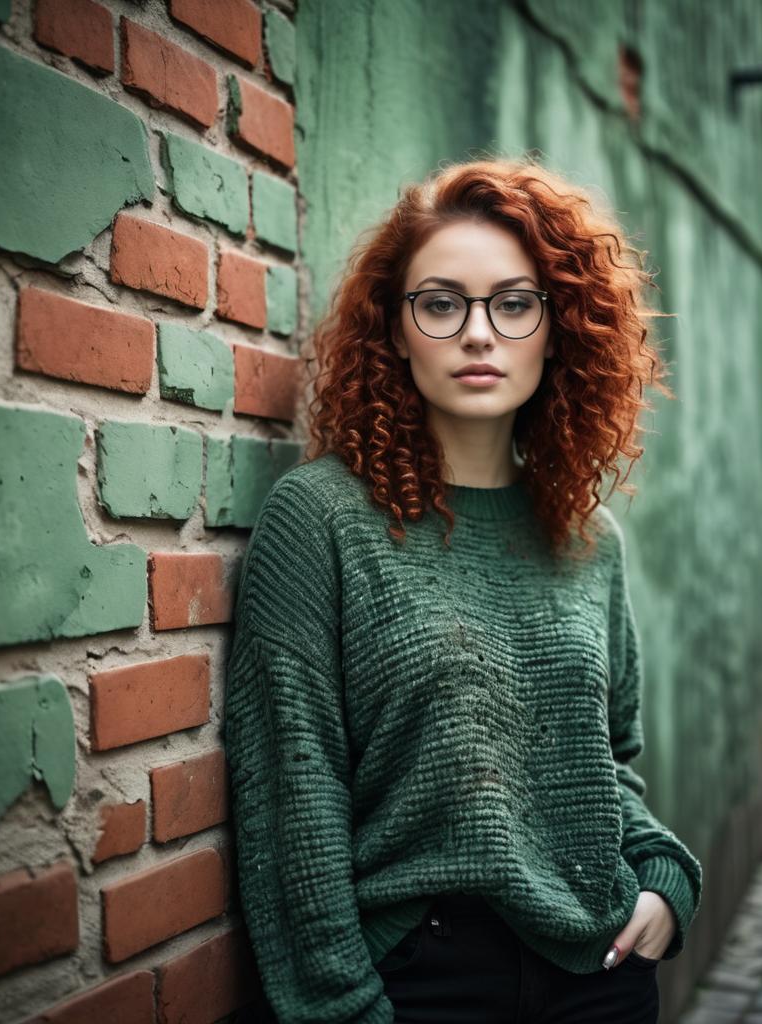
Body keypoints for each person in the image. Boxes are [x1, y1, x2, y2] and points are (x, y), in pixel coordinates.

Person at [224, 157, 702, 1024]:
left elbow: (608, 767)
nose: (479, 333)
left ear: (559, 331)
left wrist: (663, 880)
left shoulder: (588, 541)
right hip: (421, 975)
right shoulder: (322, 518)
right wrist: (340, 1008)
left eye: (515, 304)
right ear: (396, 331)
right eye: (441, 303)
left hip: (598, 970)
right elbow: (291, 789)